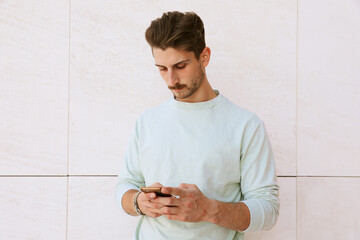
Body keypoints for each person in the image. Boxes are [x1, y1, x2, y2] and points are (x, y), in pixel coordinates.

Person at [116, 11, 279, 240]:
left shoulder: (246, 126)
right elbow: (126, 185)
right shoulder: (147, 121)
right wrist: (138, 202)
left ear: (204, 57)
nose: (171, 80)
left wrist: (208, 210)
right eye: (162, 69)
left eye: (180, 66)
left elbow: (268, 210)